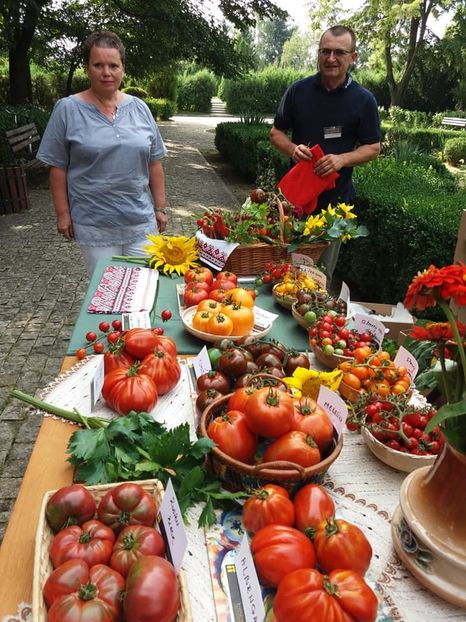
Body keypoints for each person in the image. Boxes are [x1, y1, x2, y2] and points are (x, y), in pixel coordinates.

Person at [37, 30, 168, 277]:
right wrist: (63, 214)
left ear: (123, 68)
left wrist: (160, 208)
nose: (106, 72)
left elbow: (154, 162)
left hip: (140, 221)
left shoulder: (140, 108)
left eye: (113, 65)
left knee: (144, 289)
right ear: (87, 68)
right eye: (98, 65)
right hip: (94, 223)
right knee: (106, 295)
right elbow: (57, 168)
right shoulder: (67, 109)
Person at [270, 25, 381, 284]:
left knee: (318, 277)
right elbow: (276, 133)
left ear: (353, 57)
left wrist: (342, 159)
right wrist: (292, 148)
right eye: (325, 51)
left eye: (339, 52)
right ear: (318, 54)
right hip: (293, 200)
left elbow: (373, 147)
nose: (331, 58)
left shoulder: (364, 100)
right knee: (281, 269)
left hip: (335, 205)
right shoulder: (298, 91)